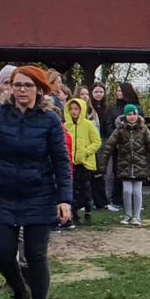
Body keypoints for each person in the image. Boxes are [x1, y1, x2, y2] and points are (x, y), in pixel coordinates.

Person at [0, 65, 73, 299]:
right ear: (10, 88)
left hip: (39, 195)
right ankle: (20, 290)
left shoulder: (50, 119)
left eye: (28, 86)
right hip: (2, 194)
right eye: (17, 85)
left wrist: (65, 198)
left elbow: (62, 161)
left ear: (40, 90)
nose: (21, 90)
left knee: (35, 255)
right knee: (3, 253)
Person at [108, 105, 150, 224]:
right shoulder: (119, 130)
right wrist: (102, 166)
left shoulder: (144, 130)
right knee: (127, 191)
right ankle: (128, 215)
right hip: (125, 166)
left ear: (137, 115)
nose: (132, 116)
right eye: (129, 114)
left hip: (140, 165)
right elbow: (109, 147)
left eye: (134, 114)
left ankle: (137, 216)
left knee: (137, 191)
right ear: (125, 116)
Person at [62, 95, 101, 228]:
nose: (74, 111)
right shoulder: (66, 125)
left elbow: (97, 142)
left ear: (81, 110)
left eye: (76, 109)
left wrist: (86, 151)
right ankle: (74, 213)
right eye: (71, 109)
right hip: (71, 162)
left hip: (85, 163)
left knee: (86, 188)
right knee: (72, 188)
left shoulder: (88, 124)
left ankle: (88, 209)